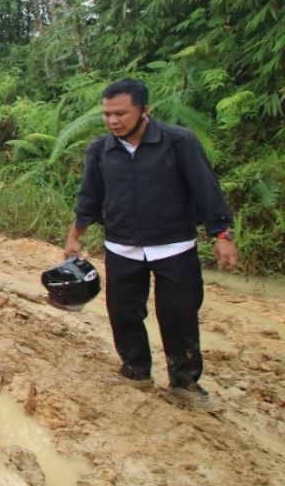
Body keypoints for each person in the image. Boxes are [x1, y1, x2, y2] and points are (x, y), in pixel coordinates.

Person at [65, 78, 237, 411]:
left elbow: (207, 189)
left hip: (175, 246)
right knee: (123, 312)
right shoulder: (100, 150)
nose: (113, 121)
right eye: (107, 114)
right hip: (122, 247)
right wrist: (76, 235)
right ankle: (135, 371)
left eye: (121, 114)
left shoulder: (179, 142)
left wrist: (222, 235)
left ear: (145, 110)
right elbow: (90, 197)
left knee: (179, 315)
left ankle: (184, 384)